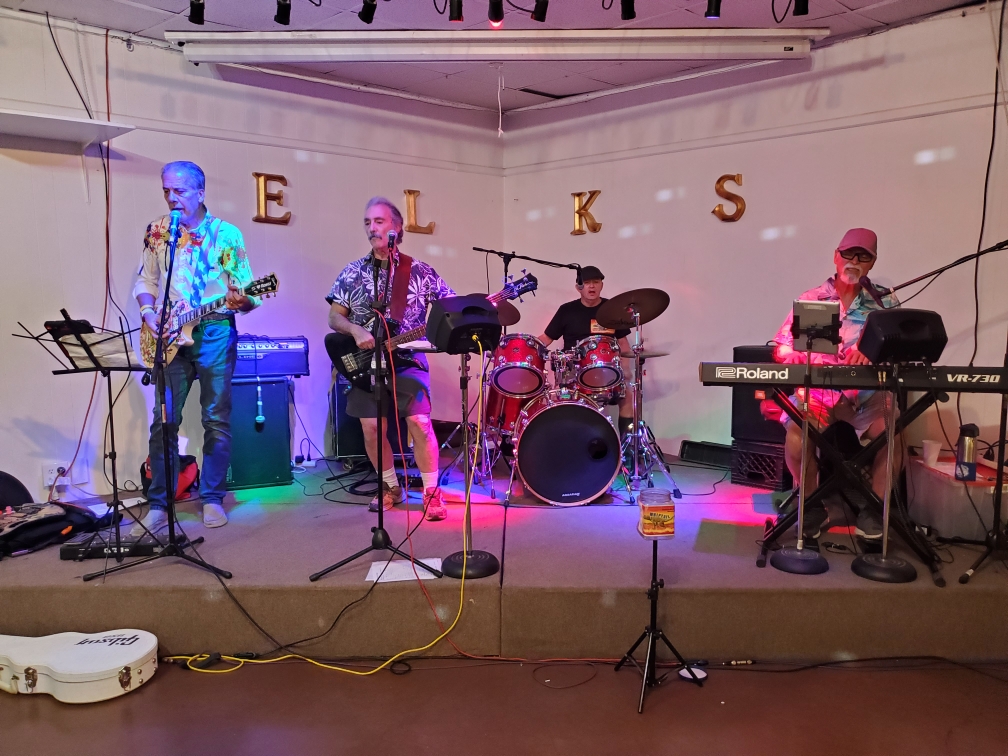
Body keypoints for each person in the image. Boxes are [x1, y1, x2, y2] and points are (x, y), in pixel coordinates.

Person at [131, 161, 259, 535]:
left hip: (214, 329)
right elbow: (146, 280)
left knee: (215, 417)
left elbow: (247, 293)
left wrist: (242, 299)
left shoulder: (225, 235)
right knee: (164, 420)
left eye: (180, 191)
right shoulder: (158, 231)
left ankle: (212, 497)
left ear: (201, 192)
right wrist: (148, 313)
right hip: (168, 334)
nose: (172, 198)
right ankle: (159, 503)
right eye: (166, 190)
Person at [326, 197, 455, 520]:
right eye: (367, 222)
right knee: (371, 427)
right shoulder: (353, 272)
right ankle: (390, 486)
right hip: (365, 362)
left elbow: (451, 308)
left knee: (420, 423)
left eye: (379, 221)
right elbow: (334, 317)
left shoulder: (421, 272)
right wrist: (355, 330)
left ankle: (431, 490)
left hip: (408, 360)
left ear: (397, 227)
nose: (372, 228)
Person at [771, 228, 899, 541]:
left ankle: (874, 510)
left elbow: (899, 351)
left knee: (892, 432)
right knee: (798, 434)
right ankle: (812, 505)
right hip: (819, 394)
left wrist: (873, 352)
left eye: (863, 256)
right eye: (848, 254)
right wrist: (795, 356)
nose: (854, 260)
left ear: (872, 263)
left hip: (868, 396)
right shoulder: (812, 298)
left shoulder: (885, 301)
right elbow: (781, 348)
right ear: (836, 257)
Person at [538, 266, 635, 436]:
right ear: (578, 287)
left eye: (596, 282)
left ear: (601, 285)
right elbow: (546, 338)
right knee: (557, 401)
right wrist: (525, 346)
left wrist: (626, 368)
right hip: (572, 374)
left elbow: (623, 343)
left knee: (627, 396)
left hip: (606, 373)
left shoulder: (612, 309)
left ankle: (627, 446)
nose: (591, 286)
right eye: (587, 282)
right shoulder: (567, 310)